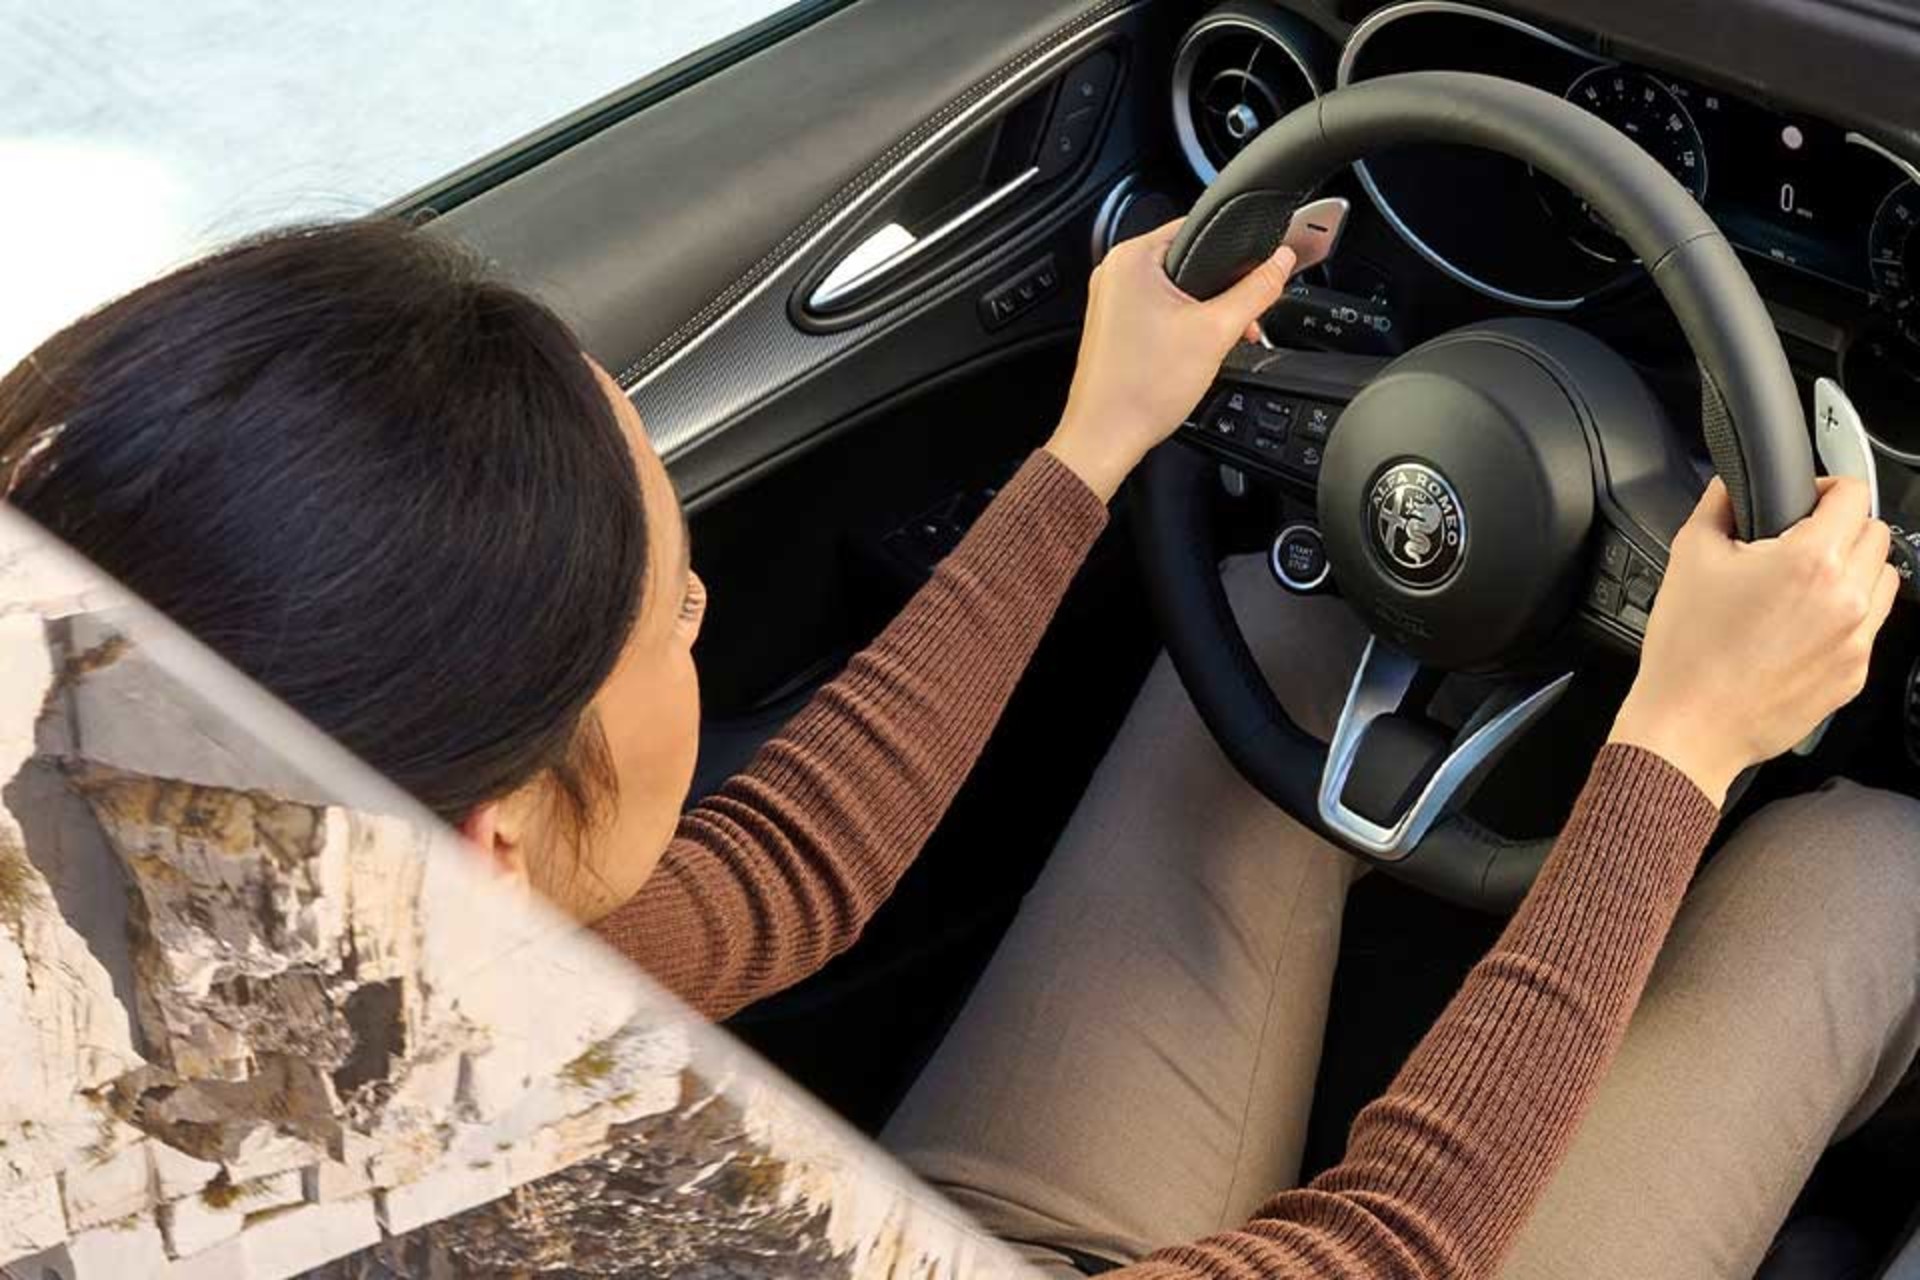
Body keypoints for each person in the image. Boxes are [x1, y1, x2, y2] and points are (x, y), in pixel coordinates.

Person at [2, 217, 1915, 1280]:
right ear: (492, 865)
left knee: (1272, 628)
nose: (693, 607)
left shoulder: (178, 916)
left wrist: (1089, 448)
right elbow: (1391, 1249)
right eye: (666, 604)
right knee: (1867, 876)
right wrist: (1677, 741)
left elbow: (768, 884)